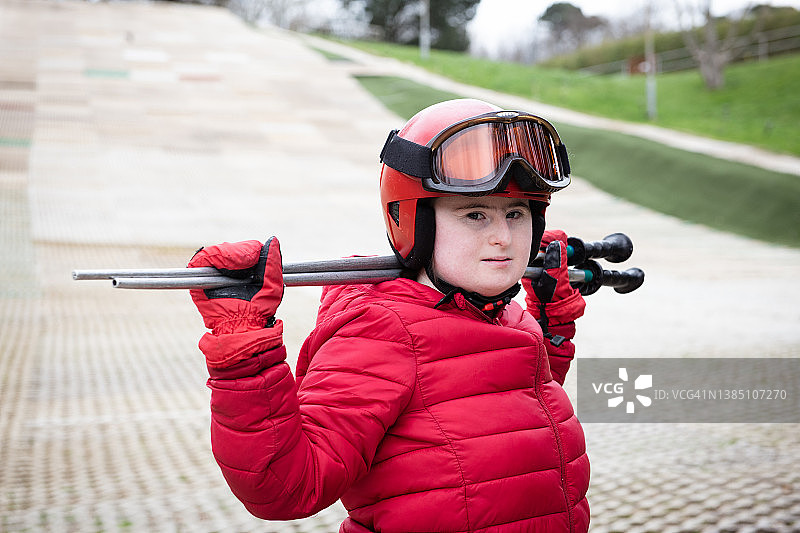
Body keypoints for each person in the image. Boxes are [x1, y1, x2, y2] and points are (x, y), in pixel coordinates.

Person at [188, 98, 589, 532]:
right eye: (475, 214)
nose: (503, 237)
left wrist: (553, 321)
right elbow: (286, 487)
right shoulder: (383, 333)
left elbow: (507, 403)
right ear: (413, 221)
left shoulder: (505, 315)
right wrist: (246, 353)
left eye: (516, 214)